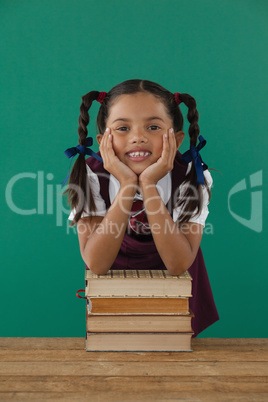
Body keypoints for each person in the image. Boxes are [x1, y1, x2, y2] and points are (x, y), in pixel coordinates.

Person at [64, 79, 219, 337]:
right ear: (103, 141)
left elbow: (178, 263)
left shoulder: (192, 176)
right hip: (115, 299)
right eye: (123, 127)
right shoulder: (91, 174)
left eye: (154, 126)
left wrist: (148, 184)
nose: (138, 137)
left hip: (177, 300)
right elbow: (97, 263)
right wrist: (126, 185)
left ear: (177, 139)